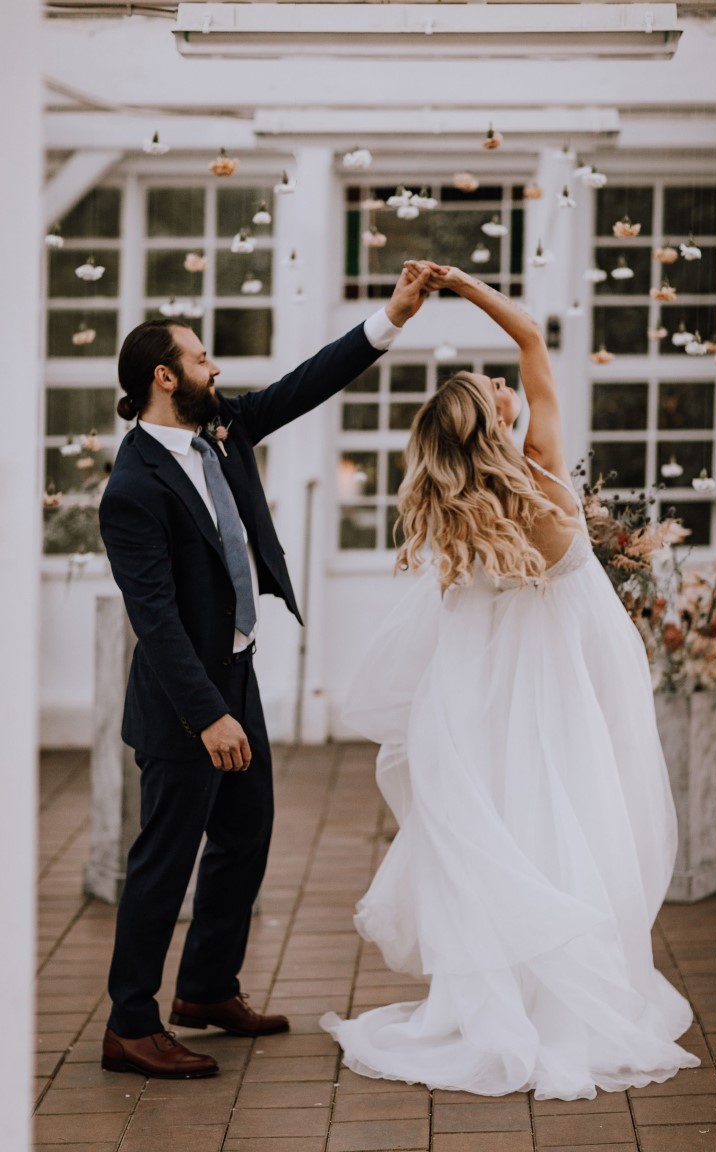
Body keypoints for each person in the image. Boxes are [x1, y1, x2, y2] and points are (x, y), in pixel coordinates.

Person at [321, 262, 700, 1100]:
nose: (506, 381)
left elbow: (466, 613)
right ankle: (567, 999)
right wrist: (462, 284)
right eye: (495, 386)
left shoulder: (466, 516)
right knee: (582, 819)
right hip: (577, 673)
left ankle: (511, 1000)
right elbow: (530, 335)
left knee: (525, 825)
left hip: (504, 689)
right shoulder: (543, 467)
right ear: (497, 417)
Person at [98, 262, 434, 1079]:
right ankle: (130, 1023)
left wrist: (390, 318)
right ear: (165, 378)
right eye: (204, 359)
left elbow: (305, 384)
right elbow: (157, 622)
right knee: (163, 861)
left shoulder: (222, 429)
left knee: (246, 836)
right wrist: (209, 715)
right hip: (189, 704)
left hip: (236, 676)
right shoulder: (131, 490)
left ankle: (207, 988)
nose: (219, 369)